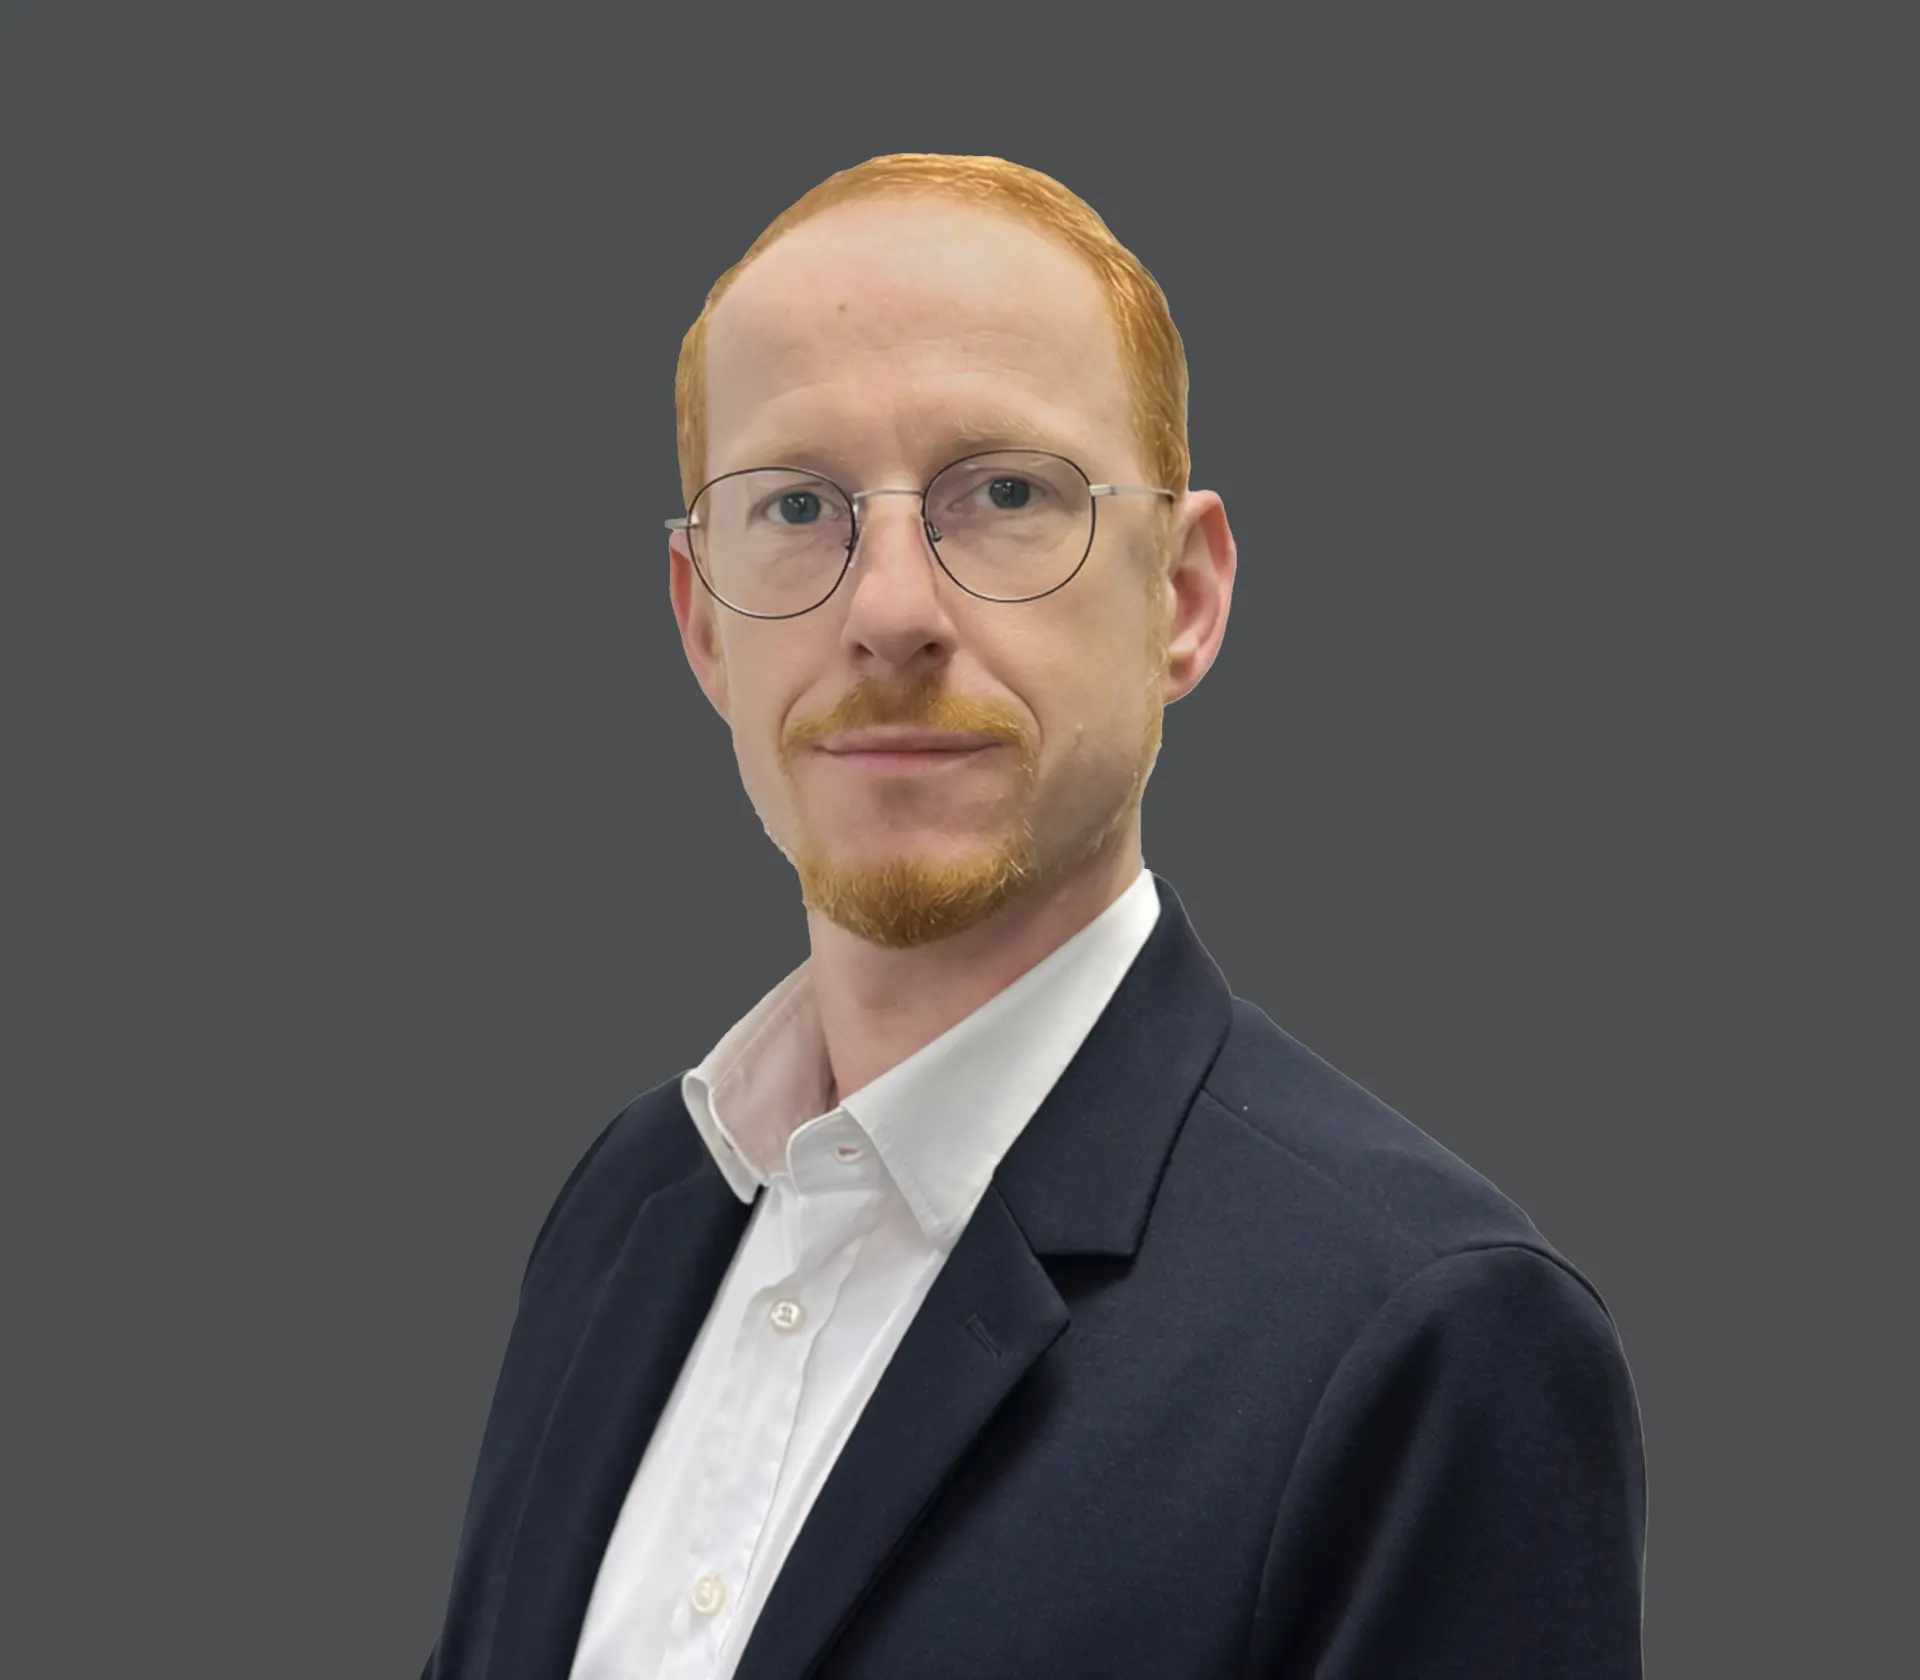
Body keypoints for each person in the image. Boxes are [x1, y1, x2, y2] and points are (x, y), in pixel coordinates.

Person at [421, 153, 1646, 1679]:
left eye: (1004, 493)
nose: (888, 610)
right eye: (794, 505)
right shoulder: (624, 1212)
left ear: (1182, 596)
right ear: (702, 624)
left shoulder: (1425, 1337)